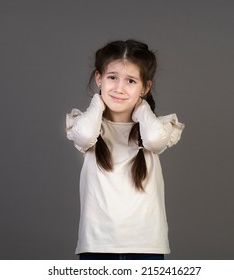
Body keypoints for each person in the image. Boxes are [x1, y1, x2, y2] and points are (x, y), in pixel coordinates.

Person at [66, 39, 184, 260]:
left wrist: (142, 108)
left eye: (131, 81)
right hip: (97, 245)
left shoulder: (154, 127)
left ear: (145, 87)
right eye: (112, 78)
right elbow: (83, 136)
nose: (119, 88)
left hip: (146, 246)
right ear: (98, 79)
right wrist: (97, 104)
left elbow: (154, 140)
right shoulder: (88, 125)